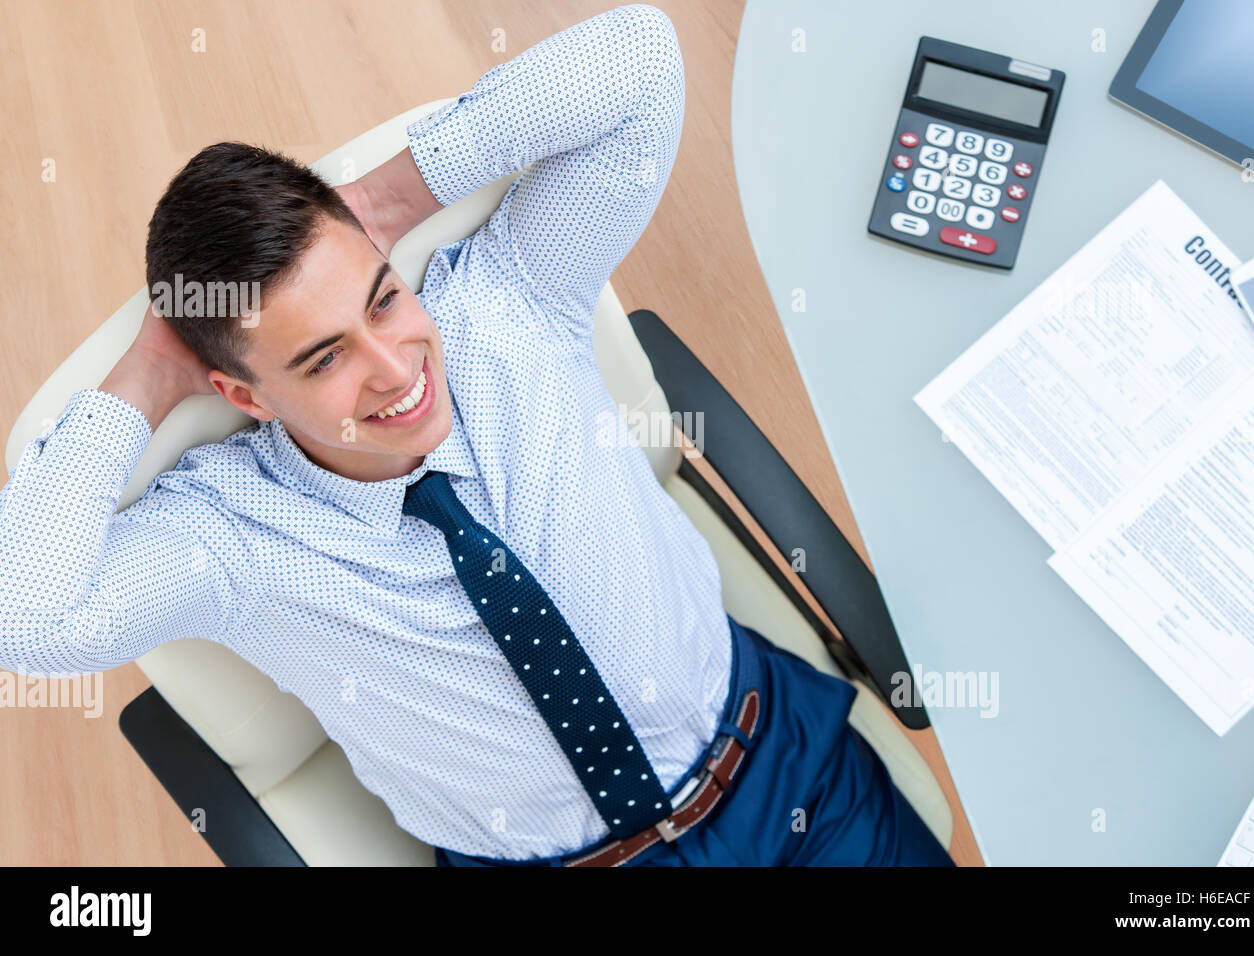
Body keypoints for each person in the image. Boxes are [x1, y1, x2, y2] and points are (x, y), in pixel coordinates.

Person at [0, 3, 952, 867]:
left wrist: (379, 205)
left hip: (785, 776)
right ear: (243, 396)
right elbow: (21, 621)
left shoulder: (506, 300)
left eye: (383, 298)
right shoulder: (226, 542)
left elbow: (641, 60)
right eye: (324, 358)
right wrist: (142, 381)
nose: (397, 366)